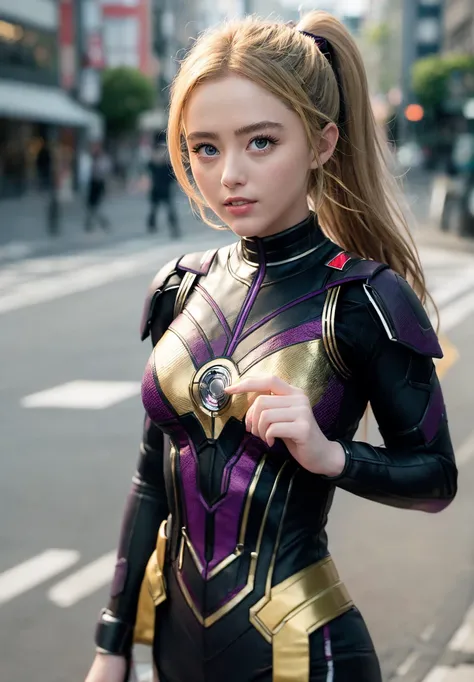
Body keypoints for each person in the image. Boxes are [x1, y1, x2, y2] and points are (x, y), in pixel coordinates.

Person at [85, 11, 457, 682]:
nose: (229, 174)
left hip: (304, 650)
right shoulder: (179, 287)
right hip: (173, 651)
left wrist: (330, 455)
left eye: (260, 142)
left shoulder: (367, 296)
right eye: (204, 147)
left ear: (322, 143)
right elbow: (150, 483)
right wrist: (112, 643)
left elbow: (435, 479)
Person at [146, 132, 181, 238]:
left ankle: (154, 226)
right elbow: (172, 171)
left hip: (159, 185)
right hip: (162, 185)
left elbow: (150, 169)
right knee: (162, 208)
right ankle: (172, 228)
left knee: (157, 208)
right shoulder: (165, 155)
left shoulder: (154, 155)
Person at [85, 144, 112, 232]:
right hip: (93, 185)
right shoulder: (93, 160)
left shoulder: (103, 161)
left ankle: (101, 223)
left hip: (98, 185)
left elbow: (103, 173)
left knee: (95, 208)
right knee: (92, 207)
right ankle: (93, 223)